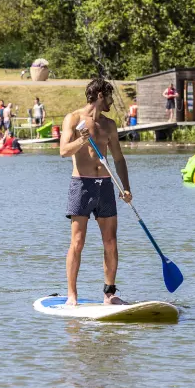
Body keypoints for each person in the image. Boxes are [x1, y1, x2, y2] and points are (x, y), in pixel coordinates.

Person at [60, 78, 132, 307]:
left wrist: (126, 187)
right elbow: (63, 151)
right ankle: (72, 295)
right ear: (100, 95)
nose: (112, 101)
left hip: (106, 186)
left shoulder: (109, 125)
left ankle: (109, 293)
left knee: (110, 242)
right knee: (77, 241)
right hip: (81, 185)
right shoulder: (73, 119)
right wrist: (81, 140)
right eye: (110, 96)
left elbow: (118, 158)